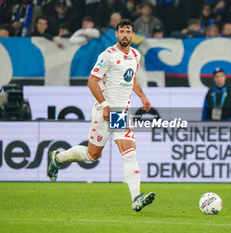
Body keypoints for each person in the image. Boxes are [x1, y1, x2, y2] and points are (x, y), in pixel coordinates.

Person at [48, 19, 156, 212]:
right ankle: (58, 158)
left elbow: (131, 78)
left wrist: (142, 97)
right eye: (121, 31)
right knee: (92, 155)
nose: (125, 35)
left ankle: (136, 197)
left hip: (121, 112)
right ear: (116, 34)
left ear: (132, 35)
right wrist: (105, 104)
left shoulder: (135, 55)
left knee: (129, 152)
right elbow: (92, 82)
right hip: (104, 111)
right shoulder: (107, 55)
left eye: (128, 31)